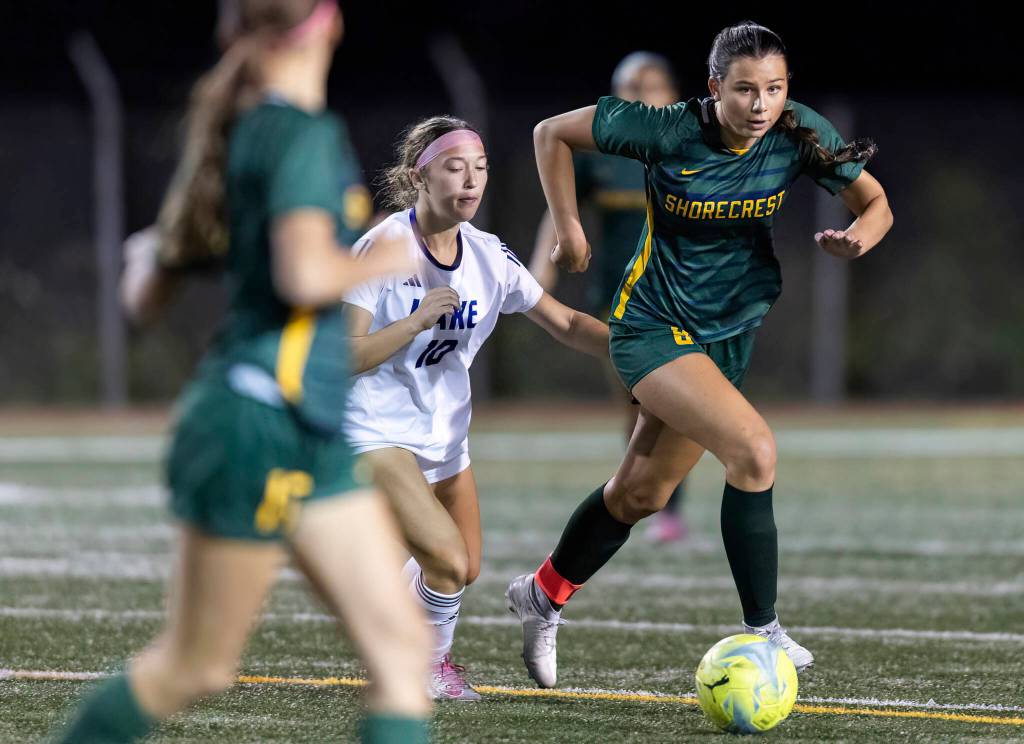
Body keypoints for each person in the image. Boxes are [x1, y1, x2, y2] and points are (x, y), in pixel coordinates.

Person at [52, 2, 432, 742]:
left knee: (401, 650)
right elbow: (302, 273)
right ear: (328, 23)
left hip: (305, 428)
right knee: (193, 667)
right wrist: (393, 254)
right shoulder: (297, 131)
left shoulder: (236, 128)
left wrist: (147, 254)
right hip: (260, 421)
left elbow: (143, 296)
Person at [506, 21, 893, 688]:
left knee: (640, 493)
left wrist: (860, 237)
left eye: (774, 88)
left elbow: (877, 202)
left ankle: (540, 594)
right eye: (745, 90)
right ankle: (764, 631)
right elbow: (551, 133)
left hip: (728, 333)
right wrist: (567, 224)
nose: (760, 104)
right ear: (715, 88)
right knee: (753, 450)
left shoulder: (798, 131)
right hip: (652, 326)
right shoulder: (666, 128)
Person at [342, 117, 610, 700]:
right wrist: (414, 322)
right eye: (455, 167)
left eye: (481, 168)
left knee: (463, 569)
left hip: (445, 436)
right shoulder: (384, 248)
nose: (471, 181)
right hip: (376, 430)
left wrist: (644, 347)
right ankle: (426, 668)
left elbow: (564, 322)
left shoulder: (488, 256)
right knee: (444, 561)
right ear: (421, 175)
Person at [528, 50, 691, 545]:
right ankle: (644, 503)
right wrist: (540, 272)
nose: (643, 96)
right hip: (619, 302)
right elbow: (558, 212)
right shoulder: (600, 157)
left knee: (678, 407)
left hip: (683, 297)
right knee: (643, 400)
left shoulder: (688, 150)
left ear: (673, 96)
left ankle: (655, 504)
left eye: (653, 86)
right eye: (632, 88)